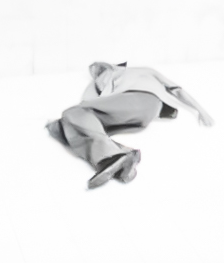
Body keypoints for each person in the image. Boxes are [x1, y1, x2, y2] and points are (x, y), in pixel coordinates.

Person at [46, 60, 211, 187]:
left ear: (113, 67)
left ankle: (116, 154)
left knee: (70, 116)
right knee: (64, 127)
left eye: (100, 72)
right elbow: (176, 89)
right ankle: (119, 161)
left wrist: (201, 110)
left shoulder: (132, 73)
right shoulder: (125, 80)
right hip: (138, 114)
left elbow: (176, 89)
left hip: (140, 100)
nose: (98, 77)